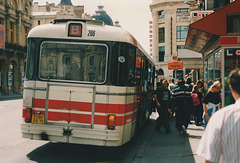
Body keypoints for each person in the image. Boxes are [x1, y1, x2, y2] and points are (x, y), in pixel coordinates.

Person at [197, 68, 240, 163]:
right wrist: (207, 114)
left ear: (231, 88)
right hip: (211, 110)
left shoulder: (221, 117)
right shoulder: (209, 94)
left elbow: (211, 158)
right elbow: (204, 103)